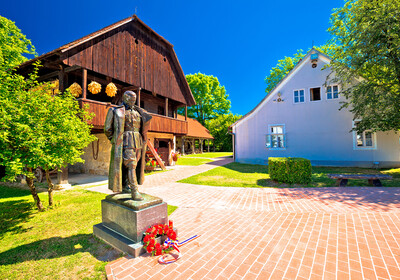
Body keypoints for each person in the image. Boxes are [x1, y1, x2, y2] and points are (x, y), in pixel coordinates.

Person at [104, 91, 152, 200]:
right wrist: (116, 140)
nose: (133, 102)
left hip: (138, 141)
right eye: (131, 99)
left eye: (134, 100)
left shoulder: (139, 112)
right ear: (125, 98)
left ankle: (125, 185)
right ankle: (134, 191)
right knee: (131, 165)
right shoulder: (115, 110)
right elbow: (107, 129)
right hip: (125, 140)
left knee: (131, 165)